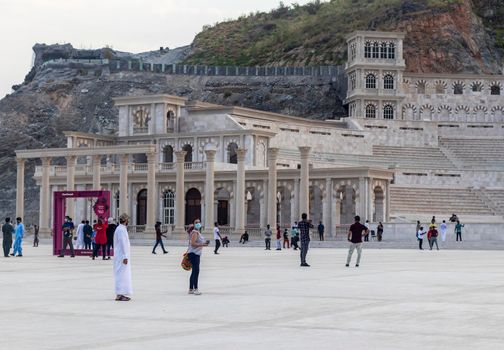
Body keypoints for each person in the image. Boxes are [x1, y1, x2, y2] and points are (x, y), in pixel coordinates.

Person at [187, 219, 209, 295]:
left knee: (194, 272)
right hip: (194, 254)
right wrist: (203, 244)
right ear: (193, 224)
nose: (198, 223)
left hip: (195, 254)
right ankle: (195, 289)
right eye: (196, 222)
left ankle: (191, 289)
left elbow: (196, 242)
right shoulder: (195, 232)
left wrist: (204, 243)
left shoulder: (197, 232)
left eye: (199, 222)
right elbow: (193, 243)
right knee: (196, 272)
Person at [114, 213, 132, 301]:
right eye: (127, 220)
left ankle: (121, 293)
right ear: (125, 220)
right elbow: (122, 243)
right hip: (122, 256)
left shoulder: (122, 229)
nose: (128, 221)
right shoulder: (121, 230)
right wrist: (125, 256)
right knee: (121, 274)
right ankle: (119, 294)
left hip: (123, 255)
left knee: (123, 274)